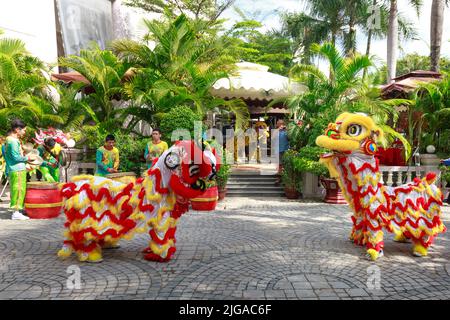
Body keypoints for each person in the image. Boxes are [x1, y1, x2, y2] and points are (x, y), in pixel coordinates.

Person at [3, 120, 36, 220]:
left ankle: (18, 210)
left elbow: (7, 154)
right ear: (17, 130)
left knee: (17, 189)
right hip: (17, 169)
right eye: (24, 130)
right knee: (18, 189)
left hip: (15, 168)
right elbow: (16, 157)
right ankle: (16, 212)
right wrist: (28, 158)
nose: (24, 132)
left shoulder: (9, 140)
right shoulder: (12, 141)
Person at [276, 119, 289, 185]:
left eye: (281, 124)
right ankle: (279, 178)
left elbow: (290, 138)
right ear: (277, 124)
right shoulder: (276, 131)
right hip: (278, 150)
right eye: (279, 124)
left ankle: (285, 178)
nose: (280, 125)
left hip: (285, 150)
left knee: (286, 164)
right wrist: (278, 129)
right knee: (280, 164)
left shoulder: (286, 131)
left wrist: (287, 130)